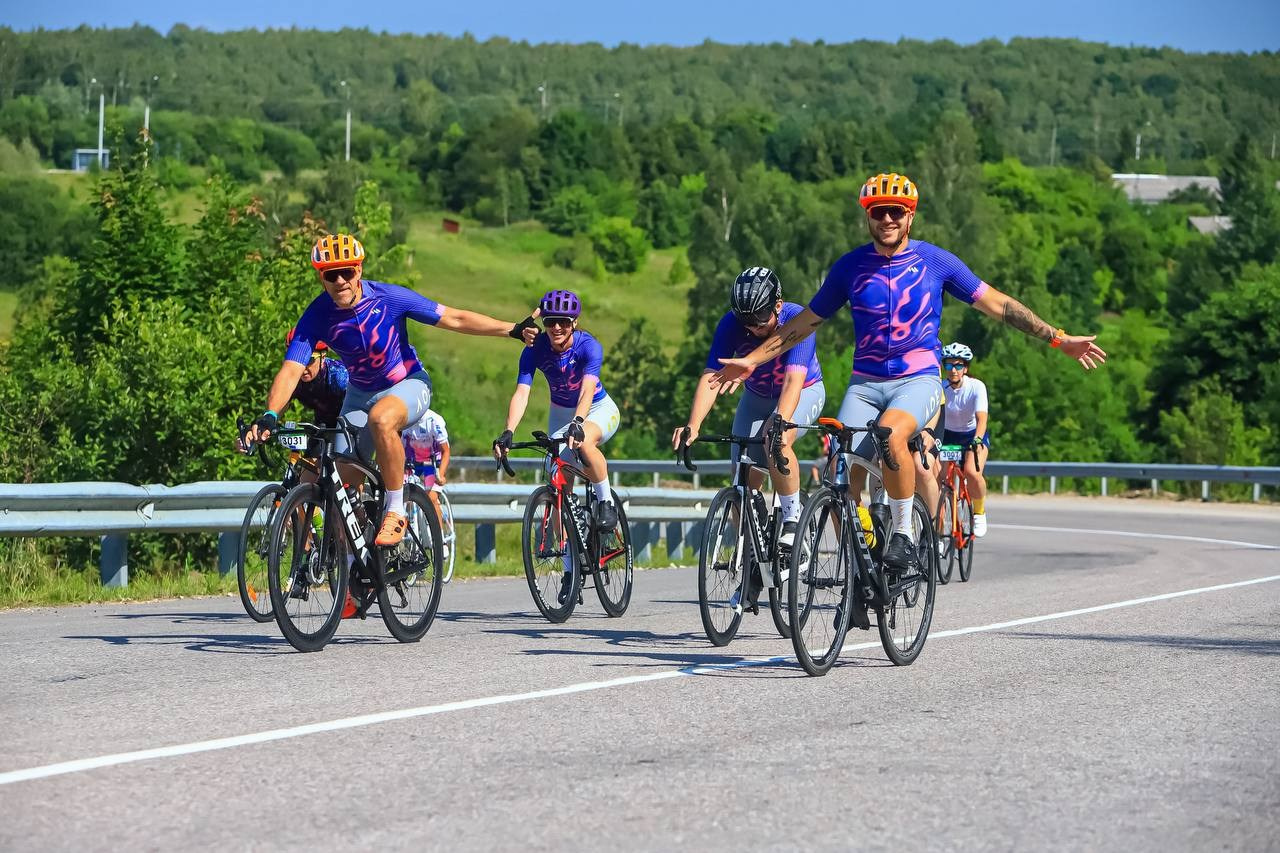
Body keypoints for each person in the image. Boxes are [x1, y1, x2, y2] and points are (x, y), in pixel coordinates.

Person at [716, 172, 1106, 577]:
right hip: (864, 385)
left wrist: (1057, 338)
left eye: (896, 212)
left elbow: (999, 305)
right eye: (879, 212)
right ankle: (865, 555)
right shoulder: (850, 267)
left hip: (917, 380)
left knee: (889, 433)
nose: (887, 220)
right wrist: (754, 359)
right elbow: (806, 322)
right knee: (839, 469)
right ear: (867, 216)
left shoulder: (935, 261)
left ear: (910, 216)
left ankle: (904, 533)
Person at [245, 232, 538, 548]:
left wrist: (510, 330)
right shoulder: (317, 316)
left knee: (382, 419)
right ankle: (356, 578)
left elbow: (453, 317)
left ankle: (396, 510)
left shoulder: (389, 298)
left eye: (349, 271)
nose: (341, 280)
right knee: (340, 489)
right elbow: (291, 370)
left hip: (408, 384)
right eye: (332, 275)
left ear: (359, 270)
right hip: (359, 395)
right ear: (321, 278)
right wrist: (270, 415)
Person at [672, 266, 825, 553]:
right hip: (755, 398)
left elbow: (794, 380)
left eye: (760, 320)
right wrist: (693, 425)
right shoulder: (731, 324)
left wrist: (780, 419)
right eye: (746, 322)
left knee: (776, 440)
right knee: (741, 479)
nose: (753, 329)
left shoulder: (796, 319)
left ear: (777, 306)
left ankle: (792, 521)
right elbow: (711, 378)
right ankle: (751, 556)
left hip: (803, 391)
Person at [938, 342, 990, 537]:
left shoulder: (976, 387)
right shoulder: (941, 387)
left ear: (965, 368)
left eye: (958, 365)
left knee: (971, 471)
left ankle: (979, 512)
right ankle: (938, 534)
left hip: (972, 434)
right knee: (939, 482)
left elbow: (982, 419)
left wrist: (977, 440)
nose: (953, 370)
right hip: (949, 435)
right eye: (949, 365)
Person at [403, 407, 452, 541]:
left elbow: (446, 451)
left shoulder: (433, 421)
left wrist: (440, 474)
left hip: (429, 464)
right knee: (402, 496)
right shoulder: (403, 419)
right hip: (410, 463)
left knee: (431, 498)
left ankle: (439, 540)